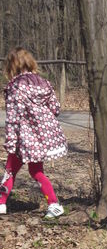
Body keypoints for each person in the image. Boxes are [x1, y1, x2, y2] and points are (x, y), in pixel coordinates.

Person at [0, 47, 67, 218]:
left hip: (23, 139)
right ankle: (53, 204)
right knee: (35, 171)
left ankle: (1, 203)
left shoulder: (15, 87)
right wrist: (40, 119)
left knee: (10, 170)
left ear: (12, 67)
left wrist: (10, 142)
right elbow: (55, 108)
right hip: (41, 138)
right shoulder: (43, 83)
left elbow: (13, 118)